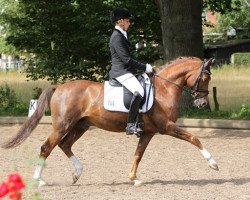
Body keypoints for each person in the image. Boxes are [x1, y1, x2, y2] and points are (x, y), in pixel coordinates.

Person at [109, 7, 153, 136]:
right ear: (120, 21)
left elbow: (130, 59)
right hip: (121, 72)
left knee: (145, 85)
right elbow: (127, 60)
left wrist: (144, 66)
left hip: (127, 70)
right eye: (128, 20)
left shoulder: (123, 34)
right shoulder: (116, 37)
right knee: (138, 91)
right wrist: (145, 67)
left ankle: (140, 123)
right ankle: (130, 125)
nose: (130, 23)